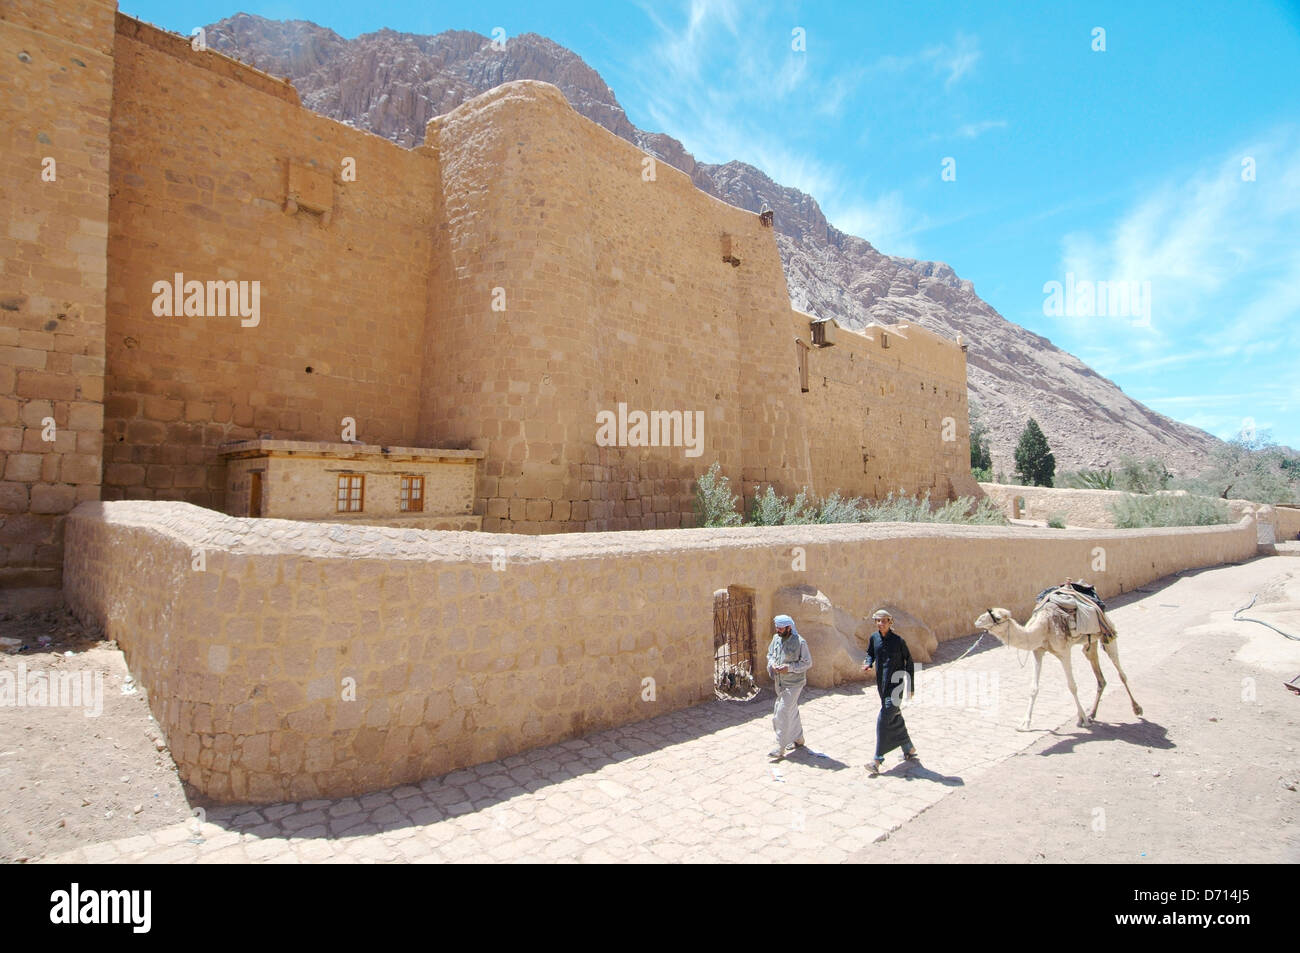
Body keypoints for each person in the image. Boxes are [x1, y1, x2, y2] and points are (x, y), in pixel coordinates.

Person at [862, 609, 918, 775]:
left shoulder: (899, 641)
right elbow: (870, 653)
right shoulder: (874, 638)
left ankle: (877, 759)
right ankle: (908, 747)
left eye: (884, 620)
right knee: (895, 716)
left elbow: (910, 663)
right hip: (882, 686)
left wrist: (911, 687)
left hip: (897, 686)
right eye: (878, 621)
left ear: (890, 622)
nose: (881, 623)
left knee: (884, 718)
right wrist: (868, 663)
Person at [766, 614, 812, 759]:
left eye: (781, 628)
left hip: (794, 684)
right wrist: (772, 664)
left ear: (789, 627)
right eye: (777, 628)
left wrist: (789, 668)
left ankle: (780, 747)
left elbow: (807, 663)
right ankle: (798, 739)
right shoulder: (776, 639)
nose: (778, 630)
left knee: (782, 712)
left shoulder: (800, 642)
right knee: (791, 709)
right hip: (780, 682)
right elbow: (770, 654)